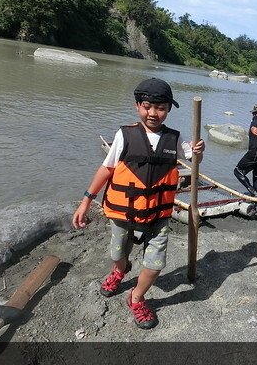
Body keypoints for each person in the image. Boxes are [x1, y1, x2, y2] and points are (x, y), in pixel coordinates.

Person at [72, 77, 204, 329]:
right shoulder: (124, 135)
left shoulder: (174, 139)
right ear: (137, 106)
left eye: (161, 108)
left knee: (155, 265)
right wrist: (86, 201)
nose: (153, 113)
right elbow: (107, 168)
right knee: (118, 254)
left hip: (158, 215)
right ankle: (119, 271)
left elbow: (194, 157)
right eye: (147, 106)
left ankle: (136, 297)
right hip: (124, 213)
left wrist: (200, 149)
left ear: (168, 109)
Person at [233, 104, 257, 196]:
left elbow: (256, 122)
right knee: (256, 177)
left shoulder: (256, 119)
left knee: (238, 171)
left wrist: (253, 127)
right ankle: (256, 201)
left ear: (254, 113)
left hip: (256, 153)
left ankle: (252, 191)